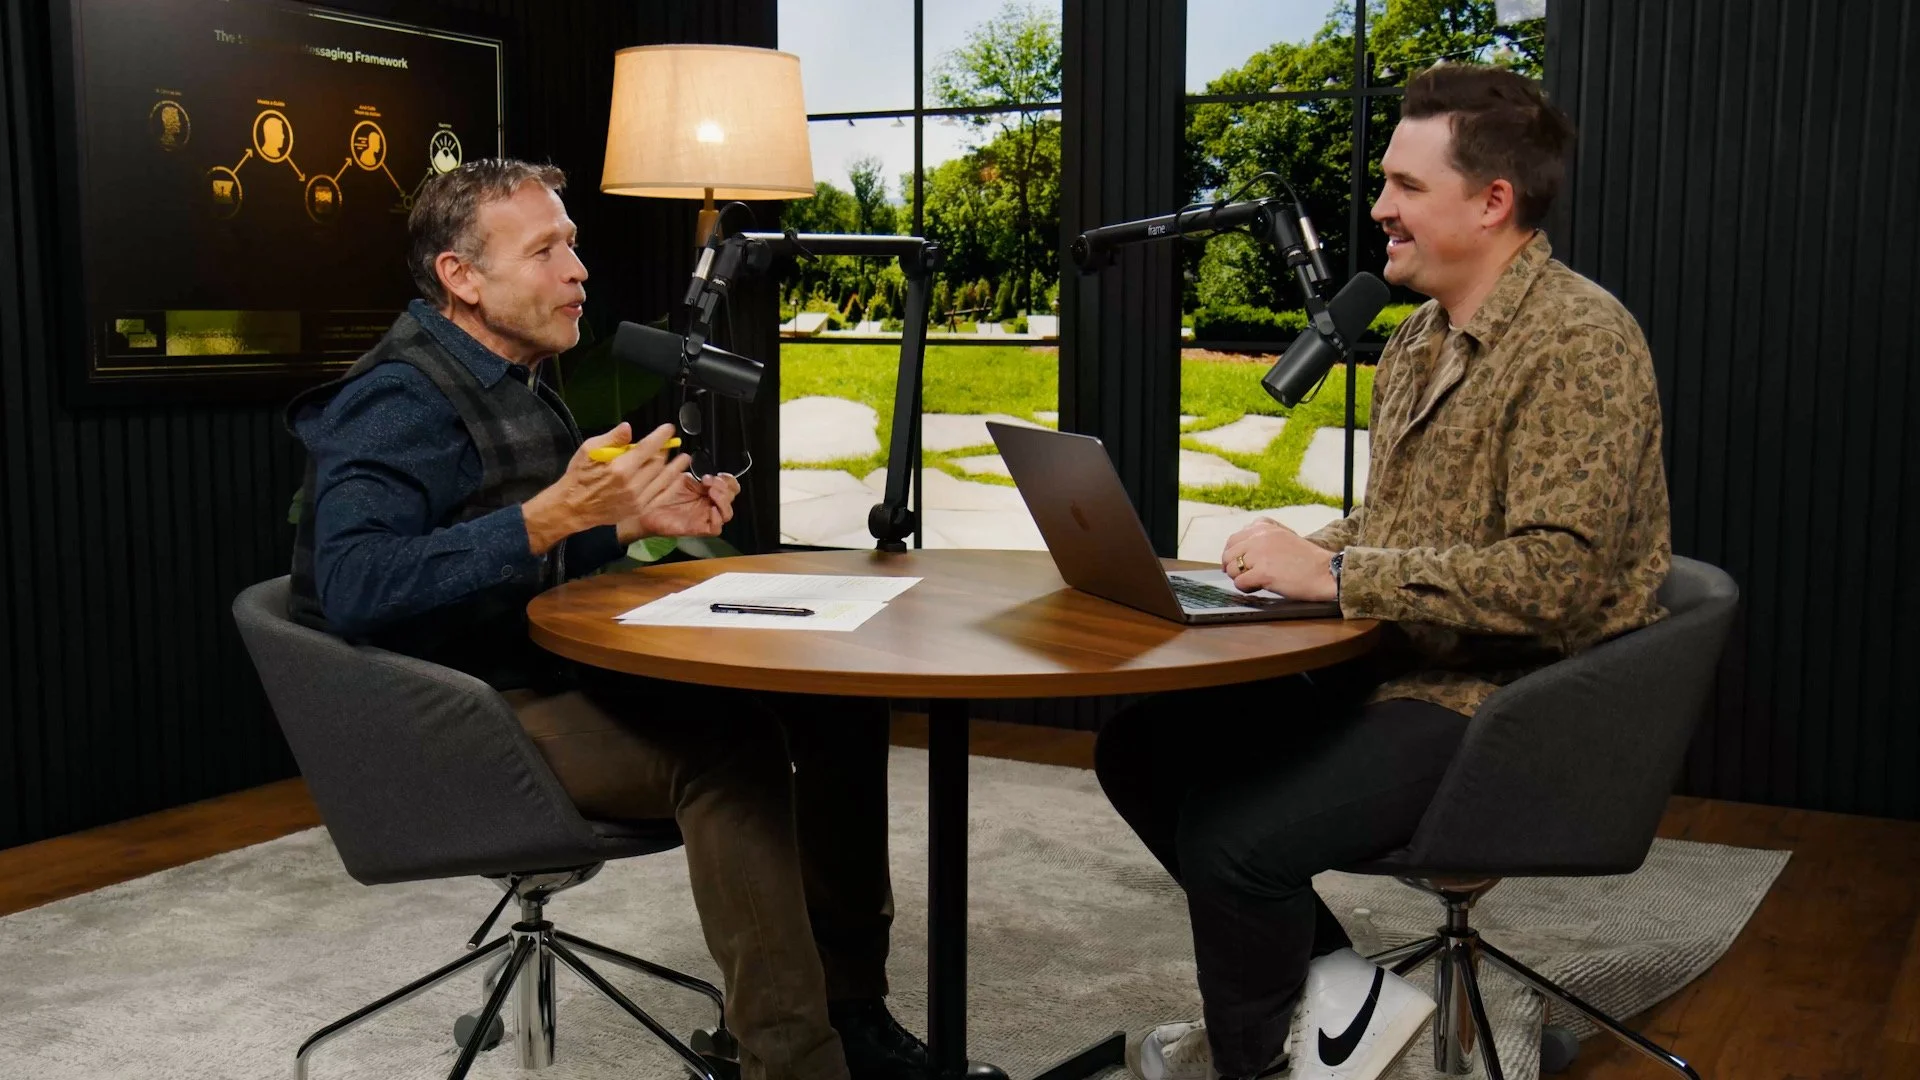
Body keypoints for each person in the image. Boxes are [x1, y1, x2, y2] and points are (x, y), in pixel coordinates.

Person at [286, 158, 929, 1080]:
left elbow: (518, 553)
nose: (577, 270)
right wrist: (554, 514)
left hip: (529, 670)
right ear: (460, 279)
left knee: (838, 705)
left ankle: (850, 1007)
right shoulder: (398, 398)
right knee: (725, 748)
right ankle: (792, 1064)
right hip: (448, 717)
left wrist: (628, 522)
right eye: (545, 250)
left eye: (573, 246)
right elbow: (354, 581)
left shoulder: (514, 374)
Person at [1098, 63, 1671, 1080]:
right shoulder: (1413, 340)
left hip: (1512, 706)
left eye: (1406, 185)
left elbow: (1555, 580)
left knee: (1235, 836)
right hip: (1397, 669)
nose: (1377, 208)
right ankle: (1347, 1017)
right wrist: (1307, 549)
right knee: (1142, 746)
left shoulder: (1582, 341)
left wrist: (1339, 575)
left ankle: (1263, 1067)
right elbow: (1399, 520)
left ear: (1493, 202)